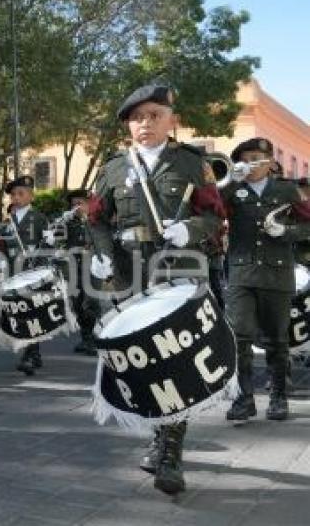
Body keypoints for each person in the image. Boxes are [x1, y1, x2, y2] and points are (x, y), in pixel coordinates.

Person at [88, 84, 225, 495]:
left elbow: (215, 215)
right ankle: (158, 436)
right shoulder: (113, 168)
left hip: (178, 265)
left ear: (171, 120)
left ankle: (170, 452)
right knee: (144, 359)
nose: (143, 123)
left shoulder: (191, 163)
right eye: (136, 117)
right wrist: (102, 253)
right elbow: (96, 219)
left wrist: (192, 227)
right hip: (130, 270)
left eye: (153, 115)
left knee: (174, 356)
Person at [221, 138, 310, 422]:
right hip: (241, 273)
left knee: (277, 339)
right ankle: (243, 399)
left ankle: (278, 397)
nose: (251, 162)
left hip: (277, 273)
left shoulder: (287, 189)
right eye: (245, 157)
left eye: (257, 157)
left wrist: (284, 232)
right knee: (239, 337)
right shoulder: (232, 189)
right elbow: (212, 211)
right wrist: (227, 184)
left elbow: (307, 225)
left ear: (270, 162)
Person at [0, 175, 50, 374]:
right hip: (12, 273)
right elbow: (0, 246)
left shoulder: (39, 218)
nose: (16, 197)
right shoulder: (6, 222)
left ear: (31, 196)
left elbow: (48, 246)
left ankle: (30, 354)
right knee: (20, 312)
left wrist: (44, 268)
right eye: (13, 195)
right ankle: (34, 353)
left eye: (21, 193)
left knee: (32, 313)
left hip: (33, 272)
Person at [56, 189, 101, 356]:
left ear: (88, 204)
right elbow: (55, 235)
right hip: (74, 264)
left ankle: (95, 337)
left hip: (93, 264)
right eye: (74, 204)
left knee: (91, 301)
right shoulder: (68, 221)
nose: (77, 207)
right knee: (77, 301)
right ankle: (86, 337)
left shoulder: (95, 219)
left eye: (80, 203)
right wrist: (63, 219)